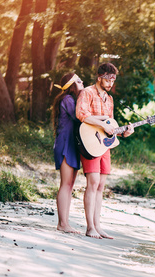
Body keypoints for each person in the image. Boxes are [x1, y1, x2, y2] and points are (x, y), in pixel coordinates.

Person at [76, 62, 134, 239]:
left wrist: (124, 132)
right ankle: (89, 227)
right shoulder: (87, 92)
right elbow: (81, 114)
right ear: (99, 77)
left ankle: (98, 226)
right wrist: (101, 124)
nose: (110, 84)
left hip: (105, 145)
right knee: (92, 183)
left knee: (101, 186)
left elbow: (111, 125)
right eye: (108, 80)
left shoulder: (109, 99)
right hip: (90, 143)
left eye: (113, 81)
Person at [52, 72, 85, 233]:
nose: (82, 82)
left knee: (70, 185)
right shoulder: (68, 100)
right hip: (65, 144)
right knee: (65, 184)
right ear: (72, 85)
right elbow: (80, 118)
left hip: (72, 145)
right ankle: (62, 224)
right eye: (79, 81)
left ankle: (65, 222)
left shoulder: (74, 100)